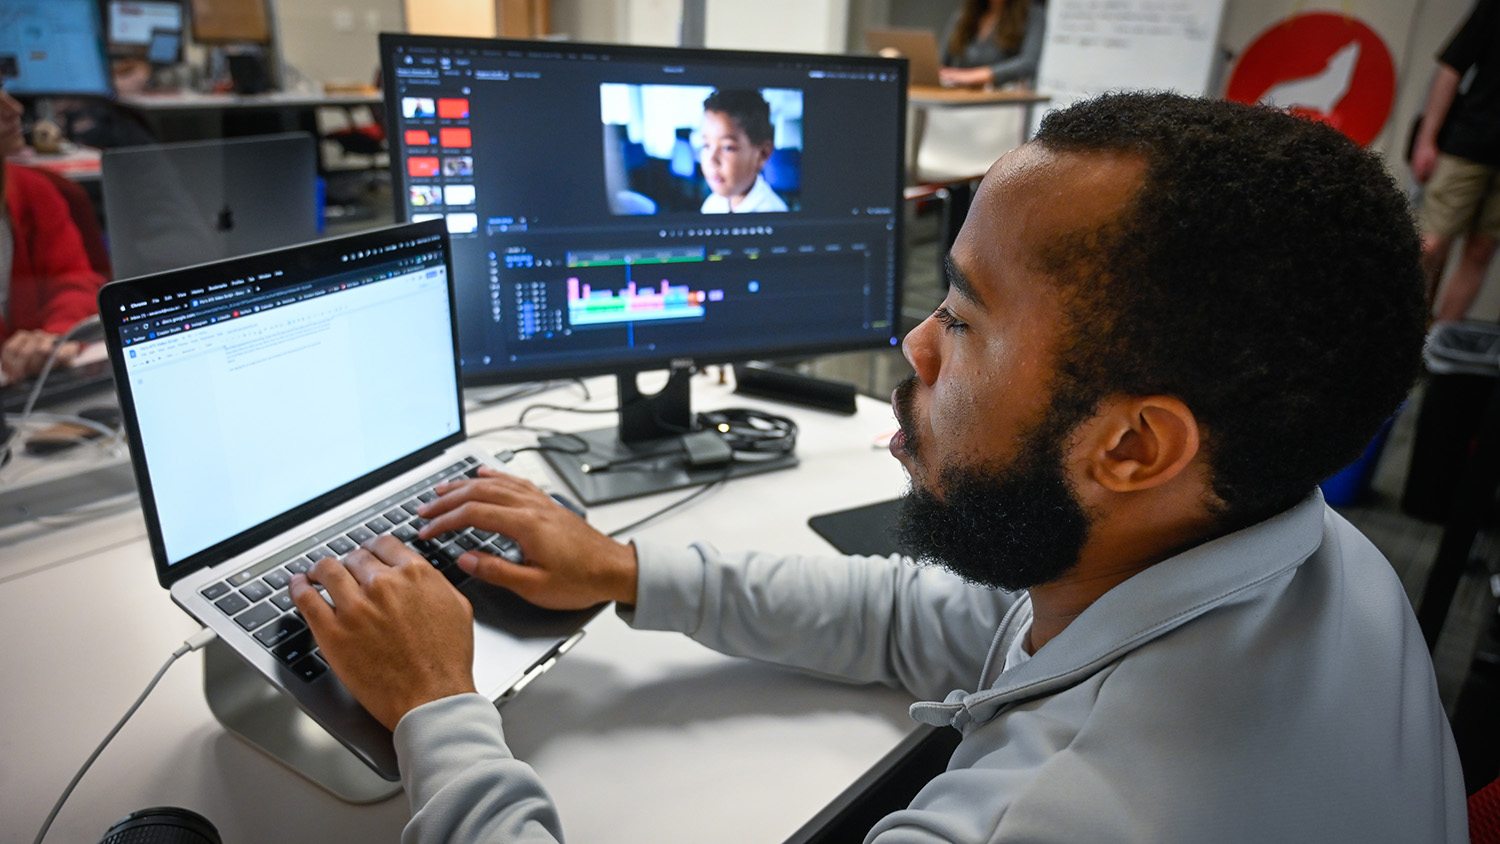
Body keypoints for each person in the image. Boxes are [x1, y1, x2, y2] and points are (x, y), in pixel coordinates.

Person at [289, 92, 1465, 842]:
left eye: (962, 315)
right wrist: (625, 566)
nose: (913, 344)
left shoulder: (1047, 815)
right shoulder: (1303, 544)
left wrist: (440, 711)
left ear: (1134, 445)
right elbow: (935, 618)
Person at [0, 88, 107, 383]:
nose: (14, 108)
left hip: (38, 386)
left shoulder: (35, 191)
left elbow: (75, 280)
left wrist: (54, 337)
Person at [1410, 0, 1500, 323]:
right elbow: (1452, 66)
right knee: (1429, 245)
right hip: (1467, 144)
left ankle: (1436, 349)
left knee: (1481, 250)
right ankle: (1397, 331)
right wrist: (1426, 139)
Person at [697, 89, 788, 214]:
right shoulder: (712, 205)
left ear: (762, 154)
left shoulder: (774, 212)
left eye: (727, 147)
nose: (712, 160)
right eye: (706, 145)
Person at [939, 0, 1046, 89]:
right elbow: (942, 62)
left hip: (999, 102)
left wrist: (974, 76)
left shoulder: (1033, 15)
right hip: (954, 97)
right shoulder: (964, 16)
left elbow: (1028, 63)